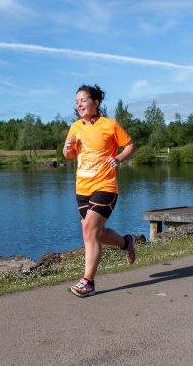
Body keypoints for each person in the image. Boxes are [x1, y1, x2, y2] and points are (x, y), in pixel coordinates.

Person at [63, 84, 137, 297]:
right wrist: (67, 148)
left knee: (89, 230)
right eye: (76, 102)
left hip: (105, 185)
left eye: (83, 100)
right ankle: (126, 242)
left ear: (96, 102)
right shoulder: (76, 127)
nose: (79, 105)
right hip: (82, 187)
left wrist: (118, 158)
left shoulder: (110, 125)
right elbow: (68, 155)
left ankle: (88, 283)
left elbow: (130, 145)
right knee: (96, 233)